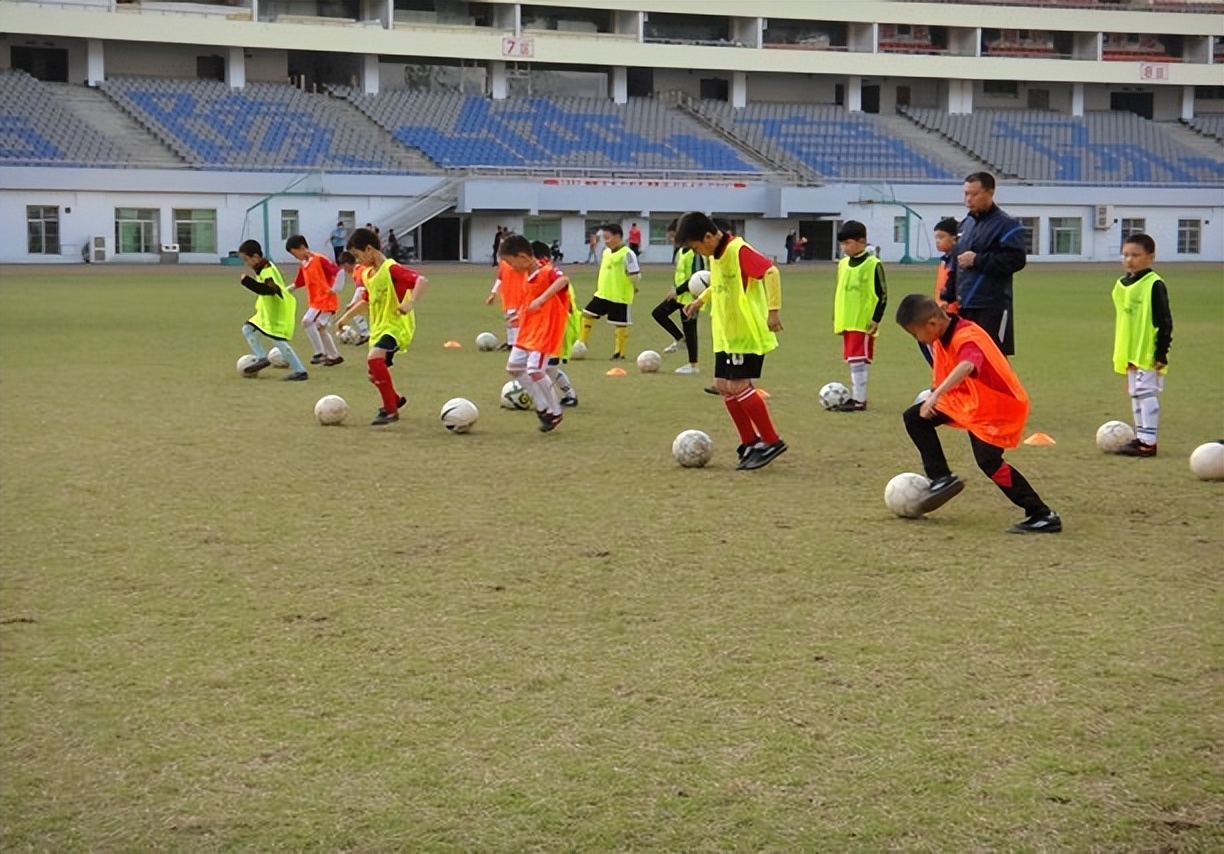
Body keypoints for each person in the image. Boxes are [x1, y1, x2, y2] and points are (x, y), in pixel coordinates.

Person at [895, 293, 1061, 534]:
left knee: (989, 462)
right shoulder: (943, 333)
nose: (917, 339)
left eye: (914, 333)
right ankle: (941, 477)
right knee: (915, 418)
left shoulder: (967, 336)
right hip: (967, 401)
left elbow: (967, 365)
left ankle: (1042, 514)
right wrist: (936, 394)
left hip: (997, 406)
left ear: (931, 324)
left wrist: (935, 395)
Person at [677, 212, 786, 471]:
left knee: (738, 385)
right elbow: (720, 284)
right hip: (726, 334)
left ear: (708, 236)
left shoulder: (738, 249)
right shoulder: (716, 254)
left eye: (696, 247)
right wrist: (700, 300)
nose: (699, 252)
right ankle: (749, 441)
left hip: (744, 333)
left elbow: (771, 272)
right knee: (723, 385)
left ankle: (772, 441)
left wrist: (773, 311)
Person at [333, 227, 429, 426]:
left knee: (374, 358)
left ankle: (390, 411)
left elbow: (421, 280)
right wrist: (345, 318)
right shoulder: (369, 275)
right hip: (379, 329)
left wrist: (410, 303)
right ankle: (394, 399)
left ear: (369, 249)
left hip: (396, 328)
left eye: (358, 256)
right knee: (373, 373)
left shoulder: (391, 269)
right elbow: (366, 302)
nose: (357, 261)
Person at [940, 171, 1027, 356]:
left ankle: (1004, 386)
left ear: (990, 192)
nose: (968, 199)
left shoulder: (1007, 225)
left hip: (992, 306)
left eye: (974, 194)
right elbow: (956, 263)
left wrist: (977, 260)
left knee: (992, 358)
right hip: (965, 305)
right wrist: (947, 297)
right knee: (967, 356)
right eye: (966, 194)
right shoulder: (965, 225)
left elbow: (1016, 260)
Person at [499, 235, 570, 432]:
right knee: (514, 368)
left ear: (522, 257)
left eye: (510, 262)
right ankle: (542, 405)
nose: (511, 267)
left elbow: (563, 280)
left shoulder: (546, 270)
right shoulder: (526, 277)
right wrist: (519, 317)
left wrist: (542, 298)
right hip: (527, 329)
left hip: (546, 329)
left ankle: (555, 412)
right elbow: (527, 302)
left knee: (535, 370)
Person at [1111, 233, 1173, 457]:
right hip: (1128, 350)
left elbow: (1164, 320)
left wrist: (1161, 351)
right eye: (1126, 254)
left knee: (1146, 393)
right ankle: (1141, 437)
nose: (1129, 260)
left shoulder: (1154, 284)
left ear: (1150, 257)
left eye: (1136, 255)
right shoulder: (1121, 285)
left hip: (1146, 350)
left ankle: (1149, 441)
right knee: (1135, 393)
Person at [832, 220, 887, 411]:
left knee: (858, 359)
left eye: (849, 243)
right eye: (843, 244)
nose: (845, 248)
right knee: (852, 359)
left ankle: (859, 400)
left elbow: (882, 295)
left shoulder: (873, 264)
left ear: (862, 241)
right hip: (846, 321)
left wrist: (876, 319)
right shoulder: (843, 264)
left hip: (862, 321)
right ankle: (856, 398)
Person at [235, 239, 308, 381]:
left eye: (246, 259)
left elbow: (270, 290)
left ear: (255, 257)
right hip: (267, 311)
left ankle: (300, 371)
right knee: (248, 329)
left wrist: (247, 282)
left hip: (278, 310)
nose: (246, 263)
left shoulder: (267, 269)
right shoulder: (261, 268)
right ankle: (262, 357)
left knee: (278, 341)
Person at [579, 223, 640, 360]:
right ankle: (582, 343)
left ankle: (619, 353)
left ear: (617, 237)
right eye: (604, 238)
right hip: (603, 294)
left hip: (620, 296)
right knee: (587, 314)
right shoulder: (606, 253)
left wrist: (635, 286)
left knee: (620, 324)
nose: (605, 242)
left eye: (607, 238)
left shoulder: (628, 254)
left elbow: (635, 274)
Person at [651, 218, 703, 375]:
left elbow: (698, 276)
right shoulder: (681, 252)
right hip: (679, 296)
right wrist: (674, 288)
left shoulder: (696, 253)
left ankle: (693, 365)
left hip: (691, 298)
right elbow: (680, 273)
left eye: (674, 237)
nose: (672, 240)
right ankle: (680, 340)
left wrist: (678, 290)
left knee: (690, 329)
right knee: (658, 313)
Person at [285, 235, 344, 368]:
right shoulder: (305, 263)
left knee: (307, 321)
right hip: (316, 302)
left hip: (325, 300)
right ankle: (334, 356)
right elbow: (299, 281)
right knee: (320, 328)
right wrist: (288, 289)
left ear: (302, 248)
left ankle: (319, 353)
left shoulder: (319, 259)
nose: (296, 257)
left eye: (295, 254)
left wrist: (336, 288)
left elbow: (339, 271)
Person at [533, 240, 580, 407]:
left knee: (545, 367)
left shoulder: (550, 271)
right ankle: (567, 395)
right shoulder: (540, 273)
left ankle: (559, 397)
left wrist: (541, 299)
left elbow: (563, 281)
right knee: (544, 366)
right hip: (549, 326)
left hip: (558, 326)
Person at [918, 217, 960, 366]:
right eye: (936, 237)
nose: (937, 241)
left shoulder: (957, 261)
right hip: (941, 310)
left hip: (952, 313)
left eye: (941, 237)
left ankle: (943, 373)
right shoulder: (945, 260)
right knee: (924, 336)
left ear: (955, 239)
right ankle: (940, 372)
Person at [486, 253, 528, 352]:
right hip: (506, 295)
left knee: (515, 320)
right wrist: (493, 293)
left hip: (519, 295)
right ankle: (510, 343)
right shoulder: (503, 263)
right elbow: (500, 278)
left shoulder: (521, 262)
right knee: (508, 319)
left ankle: (516, 344)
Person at [337, 250, 370, 345]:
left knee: (355, 311)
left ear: (347, 264)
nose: (344, 269)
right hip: (373, 295)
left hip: (373, 297)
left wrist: (353, 303)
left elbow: (361, 288)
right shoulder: (361, 268)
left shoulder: (358, 271)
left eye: (343, 266)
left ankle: (365, 333)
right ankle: (366, 333)